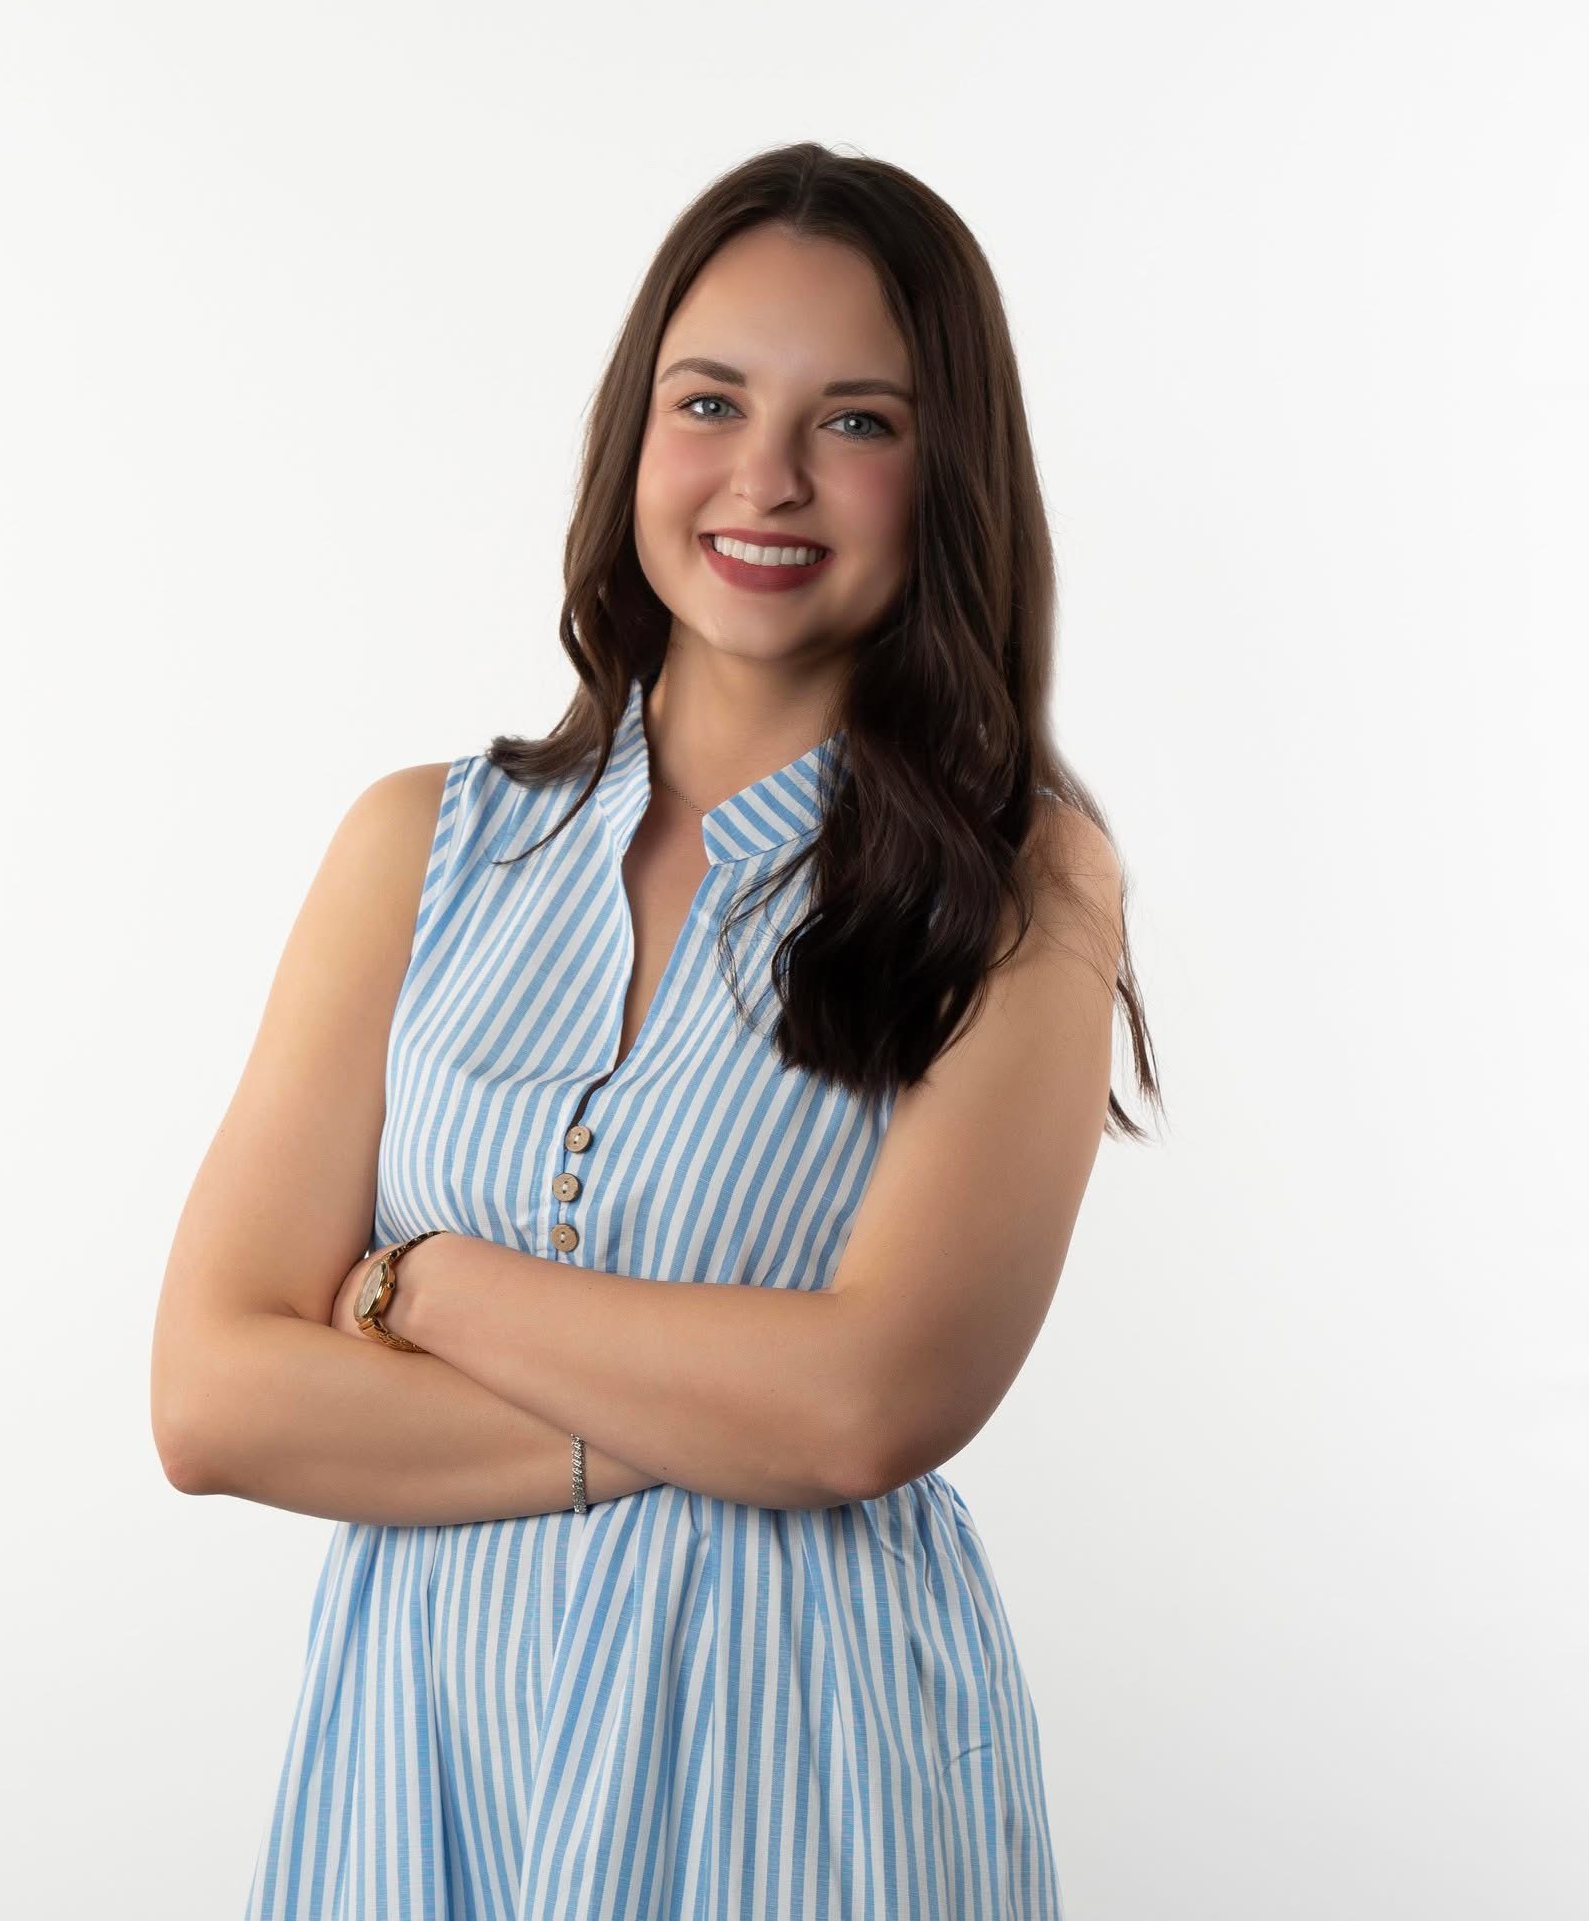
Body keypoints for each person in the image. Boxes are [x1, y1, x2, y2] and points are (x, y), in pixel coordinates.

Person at [151, 140, 1161, 1920]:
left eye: (859, 421)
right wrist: (715, 1421)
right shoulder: (419, 847)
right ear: (634, 433)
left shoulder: (1025, 887)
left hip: (809, 1779)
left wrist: (420, 1289)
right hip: (424, 1771)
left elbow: (865, 1410)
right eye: (712, 402)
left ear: (950, 477)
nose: (767, 476)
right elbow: (212, 1399)